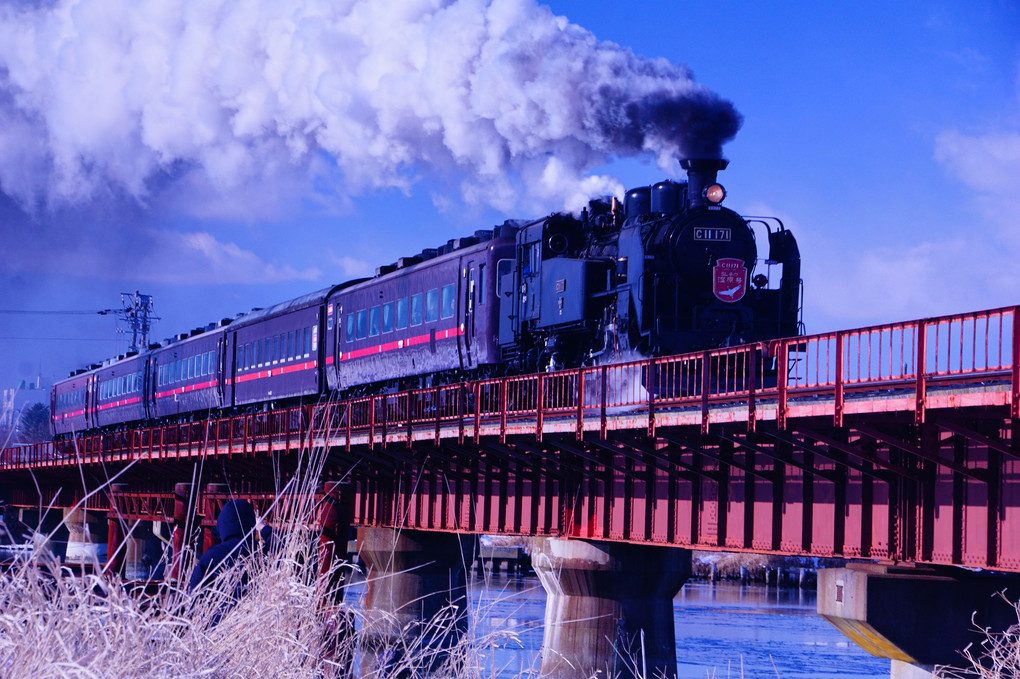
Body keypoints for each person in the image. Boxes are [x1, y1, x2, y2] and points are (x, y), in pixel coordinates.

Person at [188, 499, 261, 592]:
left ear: (221, 525)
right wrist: (264, 529)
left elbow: (195, 594)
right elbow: (281, 549)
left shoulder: (212, 556)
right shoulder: (261, 553)